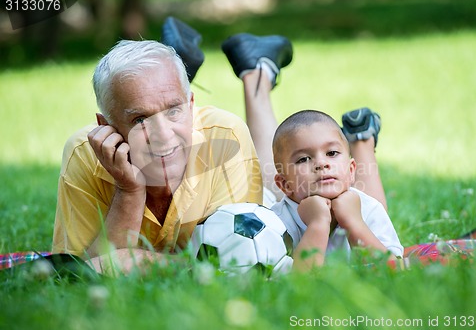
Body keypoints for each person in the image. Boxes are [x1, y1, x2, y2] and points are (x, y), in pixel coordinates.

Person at [52, 20, 263, 272]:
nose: (162, 135)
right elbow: (81, 275)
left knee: (282, 180)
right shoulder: (83, 153)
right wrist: (128, 191)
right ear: (105, 125)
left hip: (270, 196)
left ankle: (257, 71)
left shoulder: (225, 136)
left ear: (192, 105)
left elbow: (238, 262)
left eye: (174, 110)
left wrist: (144, 261)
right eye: (139, 119)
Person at [220, 33, 404, 271]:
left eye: (332, 154)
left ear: (351, 170)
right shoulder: (277, 222)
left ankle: (361, 138)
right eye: (304, 159)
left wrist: (354, 222)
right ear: (284, 185)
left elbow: (393, 271)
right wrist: (318, 224)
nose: (321, 164)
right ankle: (362, 135)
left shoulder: (368, 209)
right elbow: (299, 285)